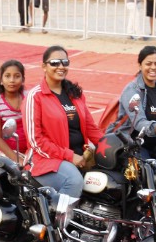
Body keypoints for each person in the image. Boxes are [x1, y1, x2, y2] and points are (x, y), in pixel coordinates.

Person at [24, 45, 102, 197]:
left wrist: (109, 146)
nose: (61, 66)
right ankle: (60, 220)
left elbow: (91, 127)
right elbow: (36, 141)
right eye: (54, 63)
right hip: (46, 161)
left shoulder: (75, 93)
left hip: (80, 157)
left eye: (65, 62)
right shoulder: (35, 97)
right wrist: (70, 156)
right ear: (44, 67)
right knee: (74, 180)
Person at [113, 46, 156, 159]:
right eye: (148, 64)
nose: (153, 67)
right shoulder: (132, 90)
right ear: (140, 65)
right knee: (151, 170)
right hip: (134, 146)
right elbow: (139, 123)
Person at [0, 59, 27, 164]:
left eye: (17, 76)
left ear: (23, 79)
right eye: (7, 76)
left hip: (30, 151)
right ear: (1, 80)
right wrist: (18, 160)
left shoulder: (29, 98)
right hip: (6, 154)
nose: (12, 80)